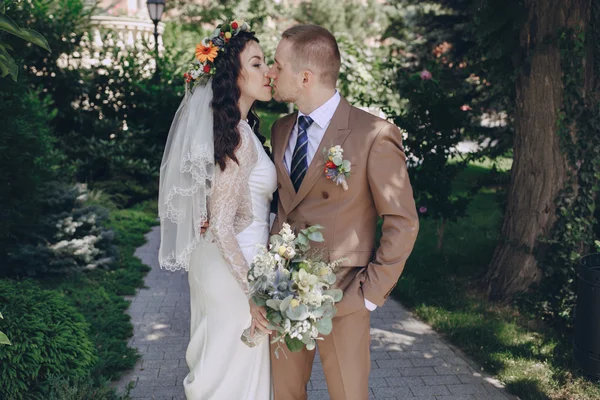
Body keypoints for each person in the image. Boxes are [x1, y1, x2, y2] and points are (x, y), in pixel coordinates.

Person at [266, 24, 419, 400]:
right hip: (284, 291)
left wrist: (370, 294)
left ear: (304, 77)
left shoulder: (373, 134)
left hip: (345, 295)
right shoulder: (281, 129)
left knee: (349, 395)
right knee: (285, 393)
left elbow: (403, 221)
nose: (271, 72)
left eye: (277, 64)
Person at [157, 20, 275, 400]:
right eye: (256, 63)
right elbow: (223, 225)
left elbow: (227, 213)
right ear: (233, 75)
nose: (268, 71)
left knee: (222, 369)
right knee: (234, 378)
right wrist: (254, 291)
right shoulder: (237, 136)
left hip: (223, 262)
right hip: (234, 271)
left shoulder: (235, 129)